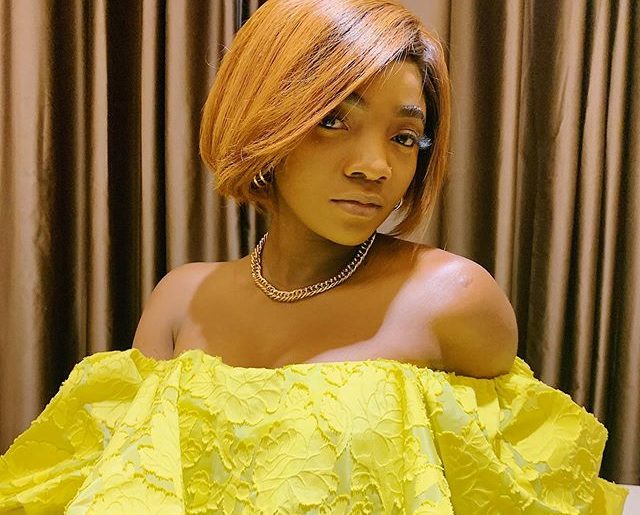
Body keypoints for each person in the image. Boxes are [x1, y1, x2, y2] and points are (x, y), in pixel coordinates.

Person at [0, 0, 629, 512]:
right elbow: (115, 485)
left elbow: (515, 492)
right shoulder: (180, 299)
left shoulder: (451, 299)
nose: (375, 166)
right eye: (333, 120)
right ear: (262, 120)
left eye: (404, 137)